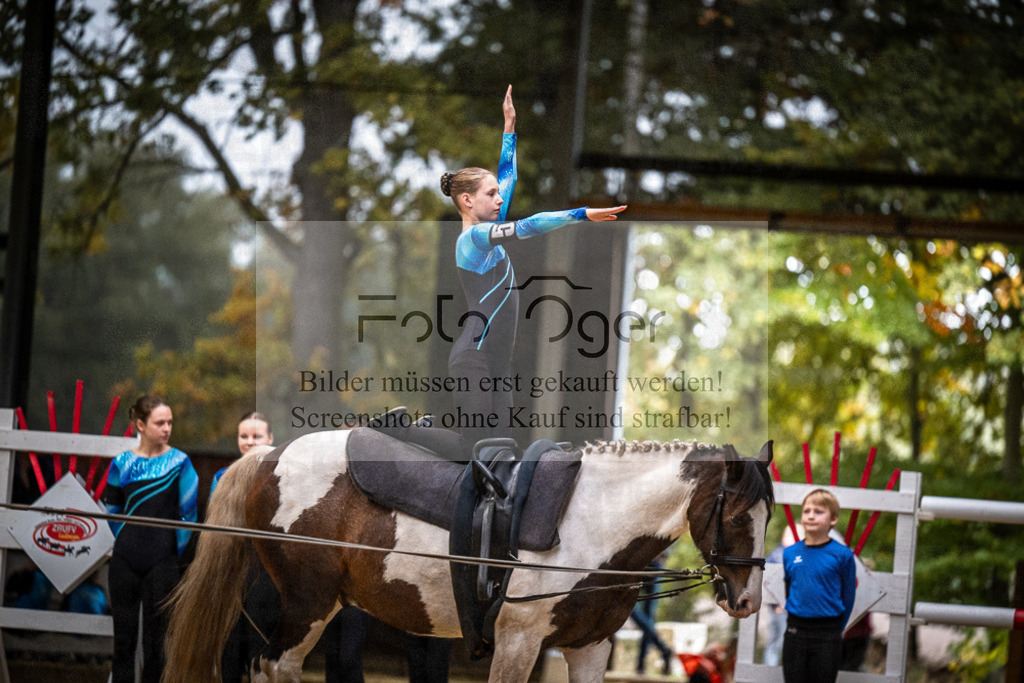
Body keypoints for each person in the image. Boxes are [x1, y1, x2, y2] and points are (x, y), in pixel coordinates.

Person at [372, 85, 626, 461]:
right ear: (467, 200)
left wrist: (509, 127)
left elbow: (509, 175)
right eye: (491, 194)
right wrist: (580, 213)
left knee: (502, 453)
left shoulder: (487, 230)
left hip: (497, 364)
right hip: (472, 358)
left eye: (497, 194)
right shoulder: (472, 240)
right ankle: (400, 430)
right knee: (471, 448)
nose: (499, 198)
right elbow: (528, 227)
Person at [103, 395, 198, 683]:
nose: (167, 428)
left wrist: (172, 551)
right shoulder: (122, 462)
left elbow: (189, 514)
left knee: (156, 646)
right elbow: (111, 508)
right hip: (124, 561)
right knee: (123, 643)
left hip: (162, 563)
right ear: (140, 424)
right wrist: (126, 539)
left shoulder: (180, 462)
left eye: (170, 422)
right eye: (160, 423)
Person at [216, 411, 279, 681]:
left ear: (271, 438)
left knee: (261, 648)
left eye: (257, 436)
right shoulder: (221, 476)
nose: (250, 442)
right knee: (229, 649)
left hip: (268, 574)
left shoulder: (281, 474)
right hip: (232, 572)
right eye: (244, 436)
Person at [782, 489, 857, 683]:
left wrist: (836, 629)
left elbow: (848, 596)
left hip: (827, 634)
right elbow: (790, 589)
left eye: (818, 511)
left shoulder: (842, 555)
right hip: (795, 632)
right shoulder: (790, 553)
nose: (811, 516)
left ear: (833, 519)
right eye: (807, 511)